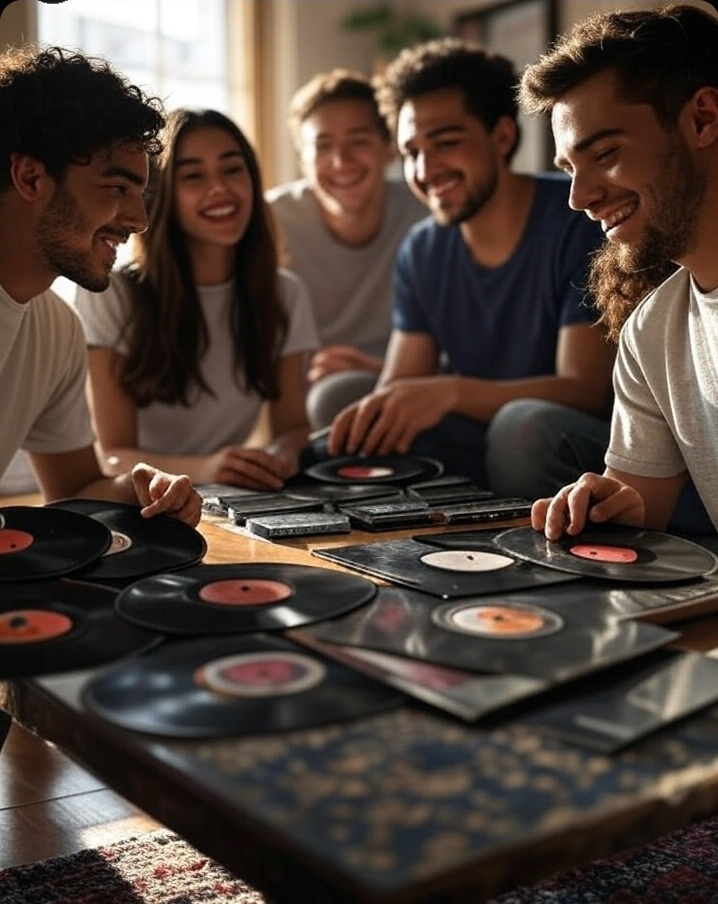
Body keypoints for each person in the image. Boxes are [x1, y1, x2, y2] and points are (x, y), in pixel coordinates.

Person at [325, 38, 613, 491]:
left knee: (523, 427)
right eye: (411, 153)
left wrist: (452, 390)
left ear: (501, 136)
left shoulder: (579, 218)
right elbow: (401, 385)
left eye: (445, 143)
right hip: (481, 431)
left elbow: (587, 390)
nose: (425, 169)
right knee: (339, 398)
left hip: (558, 440)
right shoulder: (421, 250)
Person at [519, 2, 718, 540]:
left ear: (703, 119)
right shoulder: (650, 333)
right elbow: (640, 512)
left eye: (605, 152)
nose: (579, 198)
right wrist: (605, 507)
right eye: (569, 170)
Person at [0, 44, 199, 526]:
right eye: (116, 188)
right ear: (30, 177)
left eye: (141, 193)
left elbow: (73, 491)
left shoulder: (56, 328)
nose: (140, 219)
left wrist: (139, 490)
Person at [70, 108, 318, 491]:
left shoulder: (286, 293)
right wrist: (208, 469)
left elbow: (293, 427)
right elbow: (112, 454)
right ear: (161, 195)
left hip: (223, 494)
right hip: (135, 495)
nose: (219, 188)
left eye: (233, 169)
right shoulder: (112, 295)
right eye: (193, 176)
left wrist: (279, 456)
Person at [265, 69, 425, 429]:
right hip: (296, 392)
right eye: (322, 146)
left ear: (388, 148)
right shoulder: (270, 221)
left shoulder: (425, 215)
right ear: (303, 160)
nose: (341, 161)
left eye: (359, 140)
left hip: (401, 381)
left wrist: (378, 368)